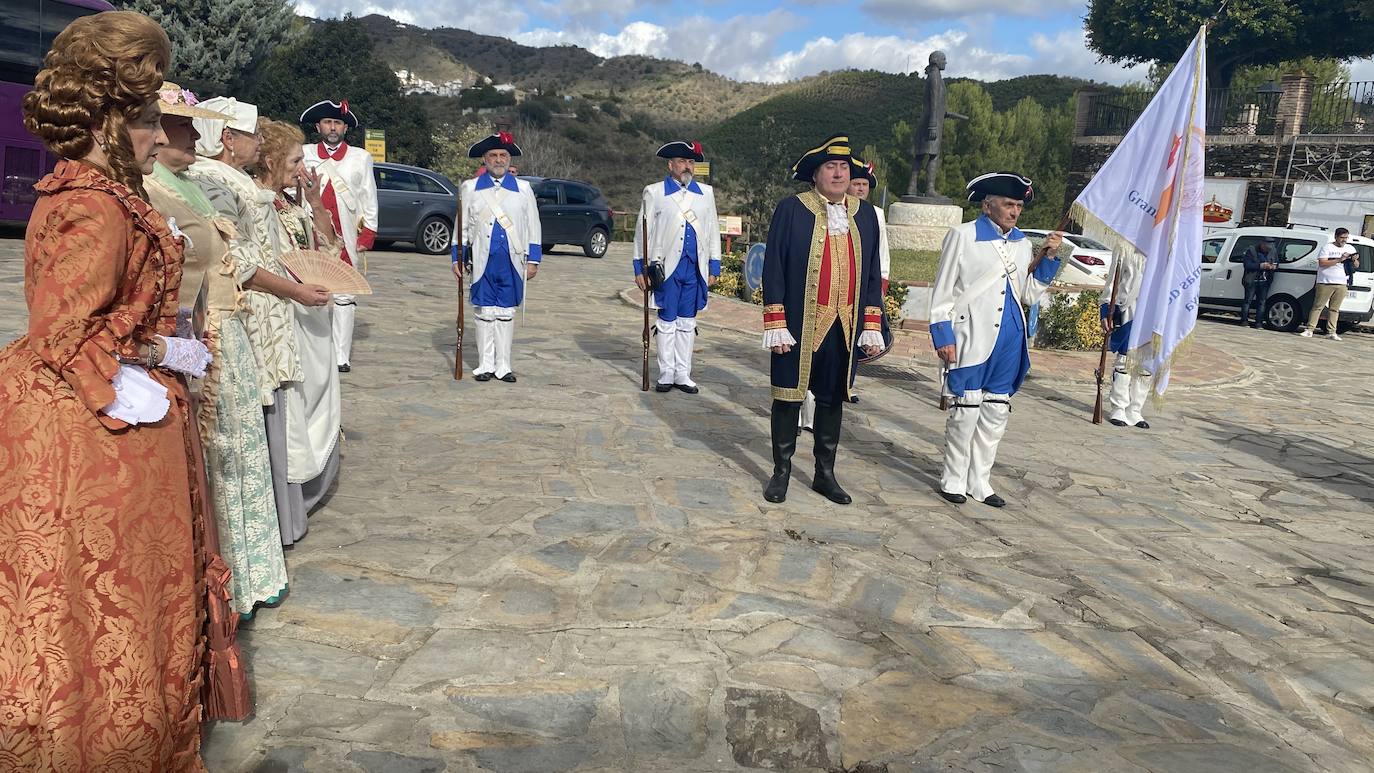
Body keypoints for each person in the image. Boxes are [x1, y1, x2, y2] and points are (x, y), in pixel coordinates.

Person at [0, 11, 246, 767]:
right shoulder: (95, 206)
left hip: (100, 423)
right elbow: (65, 334)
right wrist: (155, 354)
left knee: (112, 606)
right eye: (142, 120)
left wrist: (159, 347)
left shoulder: (103, 193)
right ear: (108, 122)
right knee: (106, 605)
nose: (153, 135)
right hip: (90, 437)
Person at [144, 86, 291, 618]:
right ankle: (224, 579)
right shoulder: (153, 188)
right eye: (178, 125)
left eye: (186, 126)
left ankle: (247, 574)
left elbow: (227, 260)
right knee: (219, 449)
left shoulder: (187, 185)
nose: (186, 135)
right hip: (193, 336)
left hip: (217, 330)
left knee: (236, 446)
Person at [187, 96, 331, 599]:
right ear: (229, 139)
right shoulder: (217, 183)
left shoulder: (233, 185)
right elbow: (240, 260)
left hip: (270, 312)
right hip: (243, 317)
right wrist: (294, 290)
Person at [762, 134, 885, 505]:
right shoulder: (791, 209)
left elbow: (872, 274)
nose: (838, 173)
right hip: (799, 324)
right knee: (788, 397)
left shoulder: (865, 215)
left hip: (844, 324)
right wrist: (775, 321)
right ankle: (781, 471)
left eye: (844, 167)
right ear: (815, 175)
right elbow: (774, 268)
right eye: (830, 167)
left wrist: (872, 323)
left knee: (832, 400)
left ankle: (824, 473)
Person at [929, 172, 1062, 508]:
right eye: (1008, 204)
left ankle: (980, 481)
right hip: (970, 335)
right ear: (988, 205)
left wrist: (1048, 259)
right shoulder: (962, 235)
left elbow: (1026, 294)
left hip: (1010, 338)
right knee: (966, 412)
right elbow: (943, 291)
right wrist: (942, 334)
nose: (1014, 211)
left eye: (1018, 205)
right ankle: (953, 478)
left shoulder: (1022, 243)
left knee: (995, 413)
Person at [252, 118, 344, 536]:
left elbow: (327, 246)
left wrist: (315, 201)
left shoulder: (292, 204)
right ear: (269, 160)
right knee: (297, 403)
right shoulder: (256, 202)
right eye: (294, 159)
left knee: (319, 396)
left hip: (313, 315)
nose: (301, 166)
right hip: (287, 314)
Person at [801, 156, 891, 430]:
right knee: (801, 374)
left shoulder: (870, 214)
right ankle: (801, 419)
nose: (859, 187)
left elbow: (878, 259)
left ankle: (824, 462)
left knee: (836, 377)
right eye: (858, 182)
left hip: (848, 310)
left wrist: (874, 308)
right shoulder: (801, 209)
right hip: (810, 309)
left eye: (864, 184)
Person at [633, 140, 720, 393]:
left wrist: (714, 265)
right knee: (667, 321)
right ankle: (666, 373)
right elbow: (642, 232)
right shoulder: (654, 192)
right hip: (666, 268)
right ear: (670, 165)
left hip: (694, 268)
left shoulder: (706, 194)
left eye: (691, 162)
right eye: (682, 162)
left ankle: (683, 373)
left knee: (687, 322)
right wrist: (639, 268)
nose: (687, 166)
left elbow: (713, 229)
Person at [456, 131, 542, 382]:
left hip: (512, 261)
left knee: (505, 313)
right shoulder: (470, 188)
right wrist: (457, 258)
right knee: (484, 312)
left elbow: (533, 225)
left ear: (509, 159)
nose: (498, 159)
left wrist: (533, 259)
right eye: (493, 155)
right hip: (482, 260)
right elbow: (460, 227)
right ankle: (484, 364)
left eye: (503, 155)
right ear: (484, 159)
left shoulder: (524, 189)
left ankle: (503, 365)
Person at [300, 99, 378, 373]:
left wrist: (368, 234)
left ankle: (341, 356)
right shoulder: (305, 153)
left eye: (337, 123)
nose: (332, 127)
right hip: (312, 230)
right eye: (328, 122)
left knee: (345, 296)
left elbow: (369, 197)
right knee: (313, 289)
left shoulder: (361, 157)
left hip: (345, 232)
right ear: (318, 126)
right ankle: (316, 350)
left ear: (345, 128)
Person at [1099, 250, 1153, 428]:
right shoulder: (1126, 248)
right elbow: (1112, 283)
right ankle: (1119, 407)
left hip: (1155, 313)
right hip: (1130, 311)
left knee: (1146, 364)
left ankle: (1135, 409)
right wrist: (1106, 310)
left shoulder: (1167, 248)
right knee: (1125, 360)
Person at [1299, 228, 1358, 340]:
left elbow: (1356, 265)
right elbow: (1322, 263)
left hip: (1342, 283)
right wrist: (1339, 259)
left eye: (1346, 238)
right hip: (1325, 282)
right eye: (1342, 237)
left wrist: (1354, 260)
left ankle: (1331, 332)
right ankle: (1309, 329)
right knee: (1318, 306)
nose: (1344, 240)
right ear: (1336, 237)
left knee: (1335, 309)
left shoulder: (1350, 248)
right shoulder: (1328, 247)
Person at [1239, 236, 1278, 327]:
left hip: (1265, 281)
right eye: (1267, 246)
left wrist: (1272, 267)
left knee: (1262, 302)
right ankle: (1244, 321)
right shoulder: (1251, 250)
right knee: (1247, 300)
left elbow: (1277, 263)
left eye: (1270, 247)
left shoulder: (1273, 251)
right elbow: (1247, 265)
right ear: (1262, 244)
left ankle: (1259, 323)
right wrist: (1261, 266)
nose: (1268, 249)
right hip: (1252, 280)